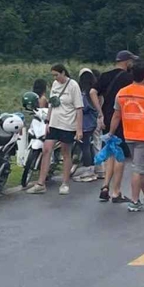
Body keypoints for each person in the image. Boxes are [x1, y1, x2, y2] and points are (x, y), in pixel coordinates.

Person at [108, 61, 144, 212]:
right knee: (138, 169)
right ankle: (135, 201)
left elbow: (116, 115)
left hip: (129, 135)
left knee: (141, 168)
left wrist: (111, 133)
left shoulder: (122, 92)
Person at [29, 64, 83, 194]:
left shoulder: (73, 86)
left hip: (67, 123)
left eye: (56, 75)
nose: (55, 78)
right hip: (54, 123)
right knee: (46, 149)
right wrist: (47, 121)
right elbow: (52, 104)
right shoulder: (55, 84)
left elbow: (79, 108)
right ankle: (41, 183)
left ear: (63, 73)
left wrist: (79, 129)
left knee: (66, 152)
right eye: (53, 75)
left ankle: (65, 183)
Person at [97, 51, 137, 202]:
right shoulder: (129, 78)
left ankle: (105, 186)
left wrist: (100, 112)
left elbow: (93, 91)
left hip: (106, 117)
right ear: (127, 62)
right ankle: (116, 191)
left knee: (110, 152)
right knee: (120, 155)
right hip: (121, 118)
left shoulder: (105, 75)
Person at [74, 68, 101, 182]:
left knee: (85, 146)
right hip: (93, 122)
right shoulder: (94, 91)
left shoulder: (83, 94)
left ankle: (88, 171)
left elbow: (82, 107)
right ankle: (98, 169)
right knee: (94, 145)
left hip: (85, 123)